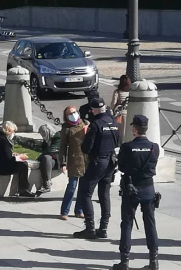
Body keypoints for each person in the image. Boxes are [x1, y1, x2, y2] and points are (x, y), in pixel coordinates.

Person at [113, 115, 160, 270]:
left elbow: (121, 167)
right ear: (146, 128)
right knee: (150, 223)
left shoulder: (127, 147)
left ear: (134, 129)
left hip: (131, 188)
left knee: (127, 224)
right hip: (148, 188)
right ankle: (154, 260)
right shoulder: (154, 147)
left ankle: (124, 260)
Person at [74, 98, 119, 239]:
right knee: (104, 194)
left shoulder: (96, 125)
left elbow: (86, 148)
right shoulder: (114, 123)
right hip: (111, 161)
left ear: (93, 110)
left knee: (85, 192)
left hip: (98, 162)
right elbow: (118, 141)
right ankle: (104, 228)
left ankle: (90, 227)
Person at [0, 121, 34, 197]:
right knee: (23, 164)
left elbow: (4, 155)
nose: (14, 133)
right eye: (13, 131)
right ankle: (23, 189)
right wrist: (20, 157)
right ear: (8, 130)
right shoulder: (3, 141)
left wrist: (13, 155)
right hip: (1, 168)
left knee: (22, 164)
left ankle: (23, 189)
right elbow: (8, 159)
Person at [59, 105, 87, 220]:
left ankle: (79, 210)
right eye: (70, 114)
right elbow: (63, 147)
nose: (73, 115)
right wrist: (63, 163)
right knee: (72, 186)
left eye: (74, 112)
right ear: (66, 117)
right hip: (74, 160)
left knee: (83, 187)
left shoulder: (85, 124)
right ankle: (64, 211)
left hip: (86, 159)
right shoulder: (66, 129)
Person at [36, 124, 60, 196]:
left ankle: (47, 183)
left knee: (46, 157)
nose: (42, 136)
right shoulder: (46, 140)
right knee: (44, 160)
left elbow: (51, 150)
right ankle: (45, 184)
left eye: (43, 134)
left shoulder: (58, 137)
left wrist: (38, 158)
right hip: (49, 162)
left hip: (58, 160)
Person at [111, 75, 131, 146]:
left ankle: (120, 145)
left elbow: (113, 103)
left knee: (120, 131)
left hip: (120, 114)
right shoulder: (131, 92)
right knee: (128, 130)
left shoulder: (117, 92)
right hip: (130, 112)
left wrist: (111, 110)